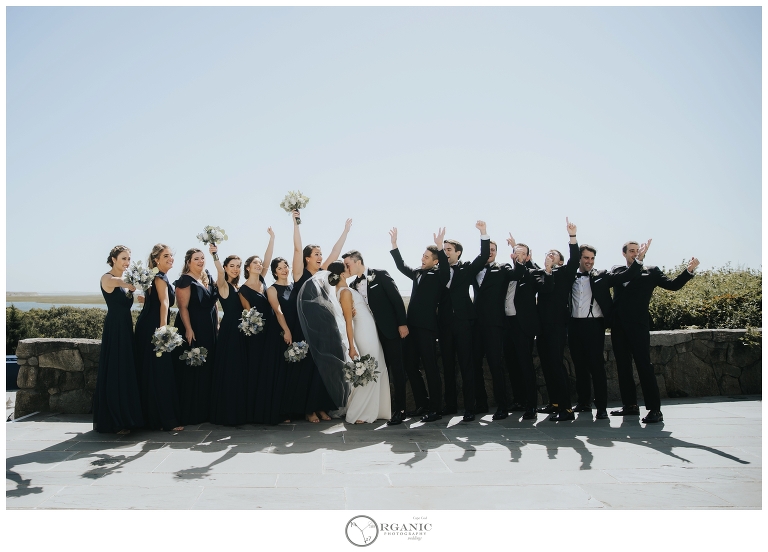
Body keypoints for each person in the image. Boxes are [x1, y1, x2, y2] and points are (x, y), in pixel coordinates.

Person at [610, 240, 699, 423]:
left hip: (639, 326)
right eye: (631, 251)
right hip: (619, 327)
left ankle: (655, 410)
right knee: (623, 367)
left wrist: (688, 271)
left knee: (644, 366)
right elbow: (626, 277)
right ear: (624, 254)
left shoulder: (652, 271)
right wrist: (638, 262)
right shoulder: (617, 271)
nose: (635, 253)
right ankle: (630, 406)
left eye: (638, 250)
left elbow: (673, 285)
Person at [286, 209, 352, 423]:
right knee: (309, 367)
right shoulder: (300, 274)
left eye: (320, 254)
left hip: (326, 327)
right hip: (306, 329)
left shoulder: (323, 273)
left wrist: (345, 231)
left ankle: (324, 406)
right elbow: (297, 248)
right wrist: (296, 222)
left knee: (327, 368)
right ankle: (309, 409)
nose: (320, 257)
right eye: (316, 254)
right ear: (307, 258)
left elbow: (335, 251)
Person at [569, 242, 646, 419]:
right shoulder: (570, 276)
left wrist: (639, 259)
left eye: (592, 258)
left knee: (596, 367)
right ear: (579, 258)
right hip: (574, 325)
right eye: (586, 258)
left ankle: (601, 407)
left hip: (594, 325)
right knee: (579, 365)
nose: (589, 261)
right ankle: (583, 402)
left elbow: (627, 274)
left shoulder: (602, 275)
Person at [390, 227, 449, 423]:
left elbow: (446, 272)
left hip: (427, 328)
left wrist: (440, 247)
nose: (422, 258)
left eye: (427, 257)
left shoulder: (440, 274)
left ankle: (435, 409)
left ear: (436, 261)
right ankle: (422, 403)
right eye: (423, 255)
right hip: (411, 328)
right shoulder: (417, 272)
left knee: (431, 367)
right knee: (410, 365)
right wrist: (394, 245)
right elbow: (401, 266)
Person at [343, 249, 408, 425]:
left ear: (357, 261)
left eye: (348, 264)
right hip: (371, 335)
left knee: (397, 370)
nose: (346, 268)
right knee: (380, 371)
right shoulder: (352, 286)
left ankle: (401, 410)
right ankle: (380, 408)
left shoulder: (380, 275)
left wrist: (402, 324)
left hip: (391, 331)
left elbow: (396, 299)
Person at [438, 222, 491, 421]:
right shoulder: (439, 270)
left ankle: (470, 407)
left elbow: (483, 256)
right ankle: (450, 405)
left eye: (449, 250)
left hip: (464, 323)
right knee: (447, 365)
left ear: (458, 253)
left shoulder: (467, 268)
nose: (446, 252)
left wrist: (483, 233)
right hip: (445, 324)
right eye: (444, 250)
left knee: (467, 365)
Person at [328, 261, 391, 424]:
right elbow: (348, 322)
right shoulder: (345, 292)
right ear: (342, 274)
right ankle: (360, 412)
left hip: (369, 330)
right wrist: (351, 347)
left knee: (378, 366)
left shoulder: (346, 289)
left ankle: (377, 409)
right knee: (369, 368)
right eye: (346, 267)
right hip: (363, 332)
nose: (349, 268)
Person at [502, 237, 554, 420]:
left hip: (523, 326)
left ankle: (531, 405)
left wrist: (548, 270)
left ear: (528, 257)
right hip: (506, 325)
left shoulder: (532, 274)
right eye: (517, 252)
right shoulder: (506, 272)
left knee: (525, 365)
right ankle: (519, 400)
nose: (519, 255)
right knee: (511, 365)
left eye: (523, 253)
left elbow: (546, 288)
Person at [93, 245, 143, 434]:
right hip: (115, 329)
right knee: (116, 369)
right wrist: (131, 282)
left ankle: (128, 416)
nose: (127, 262)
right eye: (123, 258)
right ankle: (115, 420)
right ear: (113, 259)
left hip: (126, 327)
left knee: (126, 369)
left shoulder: (124, 280)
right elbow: (119, 281)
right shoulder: (107, 278)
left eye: (128, 259)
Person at [471, 241, 524, 420]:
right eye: (487, 250)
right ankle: (481, 403)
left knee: (495, 365)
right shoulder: (474, 269)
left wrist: (518, 260)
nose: (490, 252)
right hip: (476, 324)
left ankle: (502, 406)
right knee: (474, 364)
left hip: (494, 324)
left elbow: (517, 274)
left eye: (493, 250)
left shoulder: (503, 268)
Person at [134, 244, 183, 431]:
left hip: (148, 326)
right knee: (160, 372)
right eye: (166, 256)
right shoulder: (160, 277)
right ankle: (165, 421)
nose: (170, 258)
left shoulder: (155, 276)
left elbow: (155, 299)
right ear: (156, 260)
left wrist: (146, 300)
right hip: (154, 328)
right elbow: (164, 303)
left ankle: (152, 419)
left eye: (171, 255)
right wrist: (163, 330)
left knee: (152, 371)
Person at [536, 218, 580, 422]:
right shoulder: (542, 274)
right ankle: (554, 403)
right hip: (542, 327)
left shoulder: (565, 272)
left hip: (557, 326)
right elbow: (544, 287)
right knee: (547, 364)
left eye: (554, 254)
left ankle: (566, 408)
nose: (550, 255)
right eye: (548, 253)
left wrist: (572, 236)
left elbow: (574, 259)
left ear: (560, 261)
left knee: (556, 364)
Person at [173, 248, 218, 426]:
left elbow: (214, 302)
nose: (200, 261)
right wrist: (188, 329)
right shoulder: (185, 280)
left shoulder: (207, 277)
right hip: (194, 326)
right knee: (194, 366)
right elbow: (182, 307)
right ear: (188, 262)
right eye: (196, 259)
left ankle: (206, 410)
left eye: (202, 258)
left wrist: (217, 324)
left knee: (208, 366)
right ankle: (192, 412)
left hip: (209, 326)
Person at [239, 229, 277, 424]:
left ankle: (270, 408)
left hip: (272, 329)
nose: (259, 265)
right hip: (256, 334)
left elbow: (268, 259)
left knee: (271, 368)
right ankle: (256, 411)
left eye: (259, 263)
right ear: (247, 267)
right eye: (255, 263)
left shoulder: (262, 280)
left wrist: (272, 238)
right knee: (257, 369)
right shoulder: (243, 290)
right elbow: (247, 314)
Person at [208, 246, 248, 426]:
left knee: (239, 370)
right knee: (230, 369)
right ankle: (228, 414)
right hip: (230, 330)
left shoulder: (237, 286)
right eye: (232, 265)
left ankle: (239, 411)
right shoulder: (223, 285)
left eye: (238, 266)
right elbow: (218, 271)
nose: (235, 269)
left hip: (241, 329)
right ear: (225, 267)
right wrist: (215, 254)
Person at [263, 257, 294, 424]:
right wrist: (286, 331)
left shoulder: (295, 286)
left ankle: (295, 408)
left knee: (294, 371)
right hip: (280, 333)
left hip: (296, 330)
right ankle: (281, 411)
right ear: (274, 272)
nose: (284, 270)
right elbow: (278, 311)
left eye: (285, 266)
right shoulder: (272, 289)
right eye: (280, 268)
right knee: (281, 371)